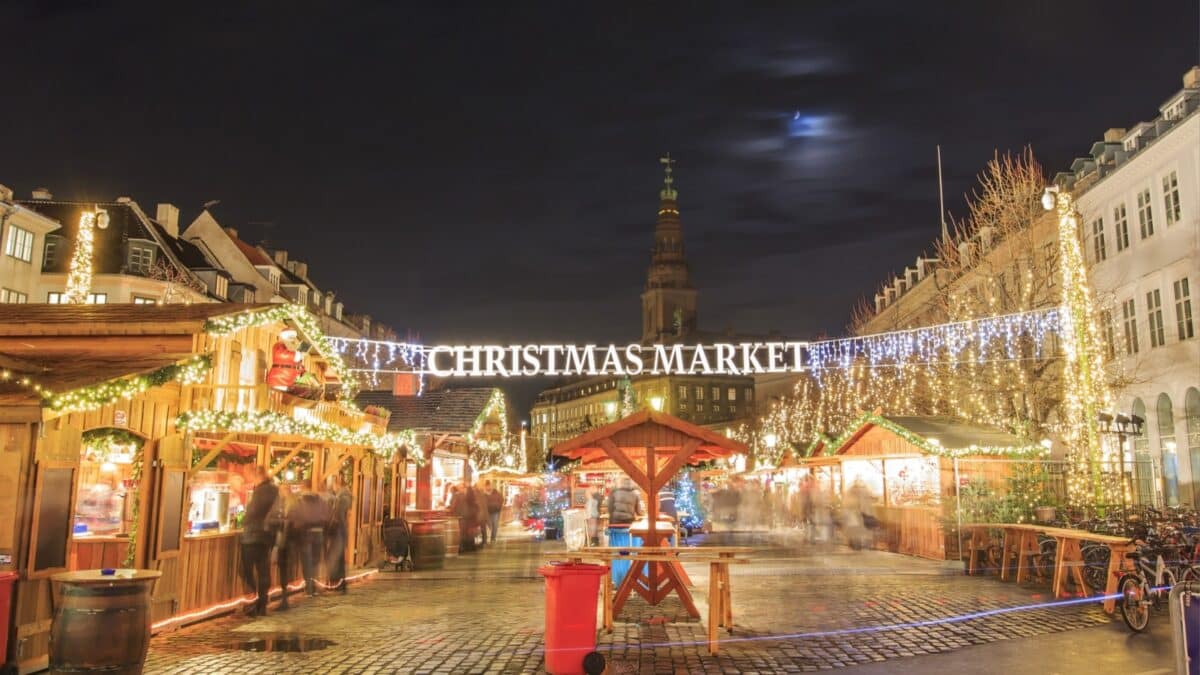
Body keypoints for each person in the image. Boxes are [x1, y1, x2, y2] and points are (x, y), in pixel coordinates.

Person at [240, 465, 278, 617]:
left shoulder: (261, 491)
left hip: (252, 535)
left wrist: (245, 521)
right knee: (263, 570)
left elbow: (253, 512)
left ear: (258, 476)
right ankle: (262, 603)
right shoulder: (274, 490)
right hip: (267, 536)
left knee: (246, 570)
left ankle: (253, 602)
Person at [290, 488, 327, 597]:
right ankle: (314, 587)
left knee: (307, 562)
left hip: (306, 534)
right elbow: (326, 515)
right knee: (315, 562)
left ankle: (309, 588)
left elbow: (295, 516)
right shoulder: (320, 502)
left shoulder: (300, 502)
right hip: (319, 532)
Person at [268, 487, 295, 610]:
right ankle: (284, 598)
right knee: (284, 570)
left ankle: (284, 599)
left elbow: (284, 524)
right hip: (289, 542)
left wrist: (275, 522)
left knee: (283, 569)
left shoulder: (287, 506)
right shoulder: (291, 503)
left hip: (284, 542)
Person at [325, 474, 352, 593]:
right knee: (338, 558)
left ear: (338, 484)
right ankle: (339, 583)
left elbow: (338, 514)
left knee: (335, 557)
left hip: (338, 530)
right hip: (340, 530)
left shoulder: (342, 497)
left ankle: (338, 583)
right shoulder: (342, 496)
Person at [484, 480, 504, 544]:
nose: (488, 487)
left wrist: (498, 507)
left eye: (489, 486)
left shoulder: (496, 493)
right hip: (488, 512)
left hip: (495, 511)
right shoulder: (484, 494)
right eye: (486, 486)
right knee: (489, 525)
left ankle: (493, 538)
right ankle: (488, 537)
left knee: (494, 525)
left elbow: (501, 500)